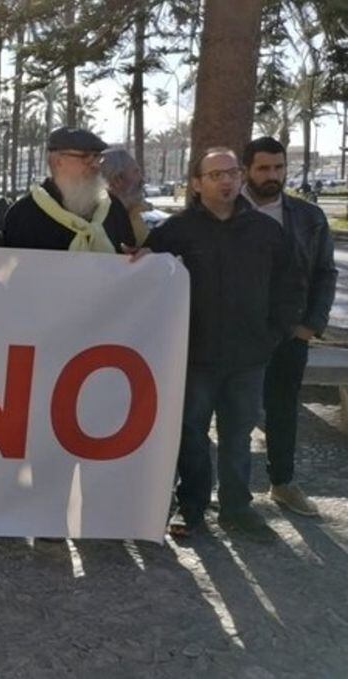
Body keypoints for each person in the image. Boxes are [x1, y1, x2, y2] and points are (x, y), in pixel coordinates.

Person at [138, 147, 303, 539]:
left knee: (238, 434)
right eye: (215, 175)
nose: (227, 181)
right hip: (194, 356)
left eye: (232, 173)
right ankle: (191, 507)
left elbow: (291, 285)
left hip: (248, 357)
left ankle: (237, 509)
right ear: (197, 183)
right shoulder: (176, 231)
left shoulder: (266, 231)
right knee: (191, 432)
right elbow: (146, 274)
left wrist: (274, 333)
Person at [242, 136, 337, 517]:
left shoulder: (309, 217)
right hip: (234, 335)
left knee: (282, 410)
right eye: (263, 168)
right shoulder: (226, 213)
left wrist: (309, 326)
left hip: (288, 335)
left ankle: (283, 483)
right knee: (226, 413)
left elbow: (325, 273)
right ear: (248, 169)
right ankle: (222, 494)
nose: (272, 175)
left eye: (279, 167)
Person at [4, 127, 136, 252]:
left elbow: (129, 261)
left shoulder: (113, 209)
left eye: (97, 157)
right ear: (57, 161)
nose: (95, 165)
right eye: (86, 157)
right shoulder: (23, 215)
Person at [99, 148, 169, 245]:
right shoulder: (101, 219)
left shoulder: (133, 213)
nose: (143, 180)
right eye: (136, 172)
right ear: (117, 179)